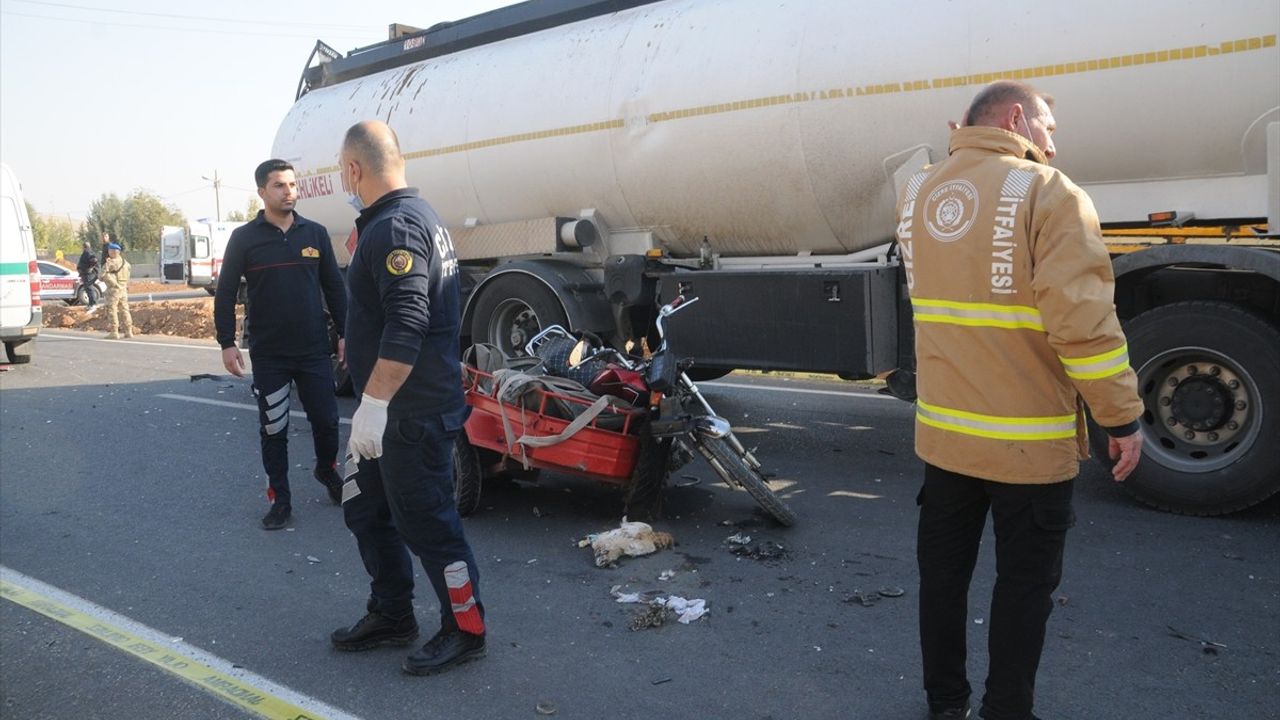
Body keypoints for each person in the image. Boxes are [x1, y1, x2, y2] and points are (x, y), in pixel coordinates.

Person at [894, 80, 1144, 720]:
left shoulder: (919, 192)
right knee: (1024, 588)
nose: (1053, 146)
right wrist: (1120, 417)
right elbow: (1084, 328)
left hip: (945, 440)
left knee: (943, 581)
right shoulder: (1049, 194)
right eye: (1049, 129)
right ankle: (1006, 710)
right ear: (1016, 119)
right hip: (1028, 447)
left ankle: (945, 703)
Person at [330, 120, 486, 676]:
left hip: (408, 412)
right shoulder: (404, 218)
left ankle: (465, 629)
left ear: (353, 170)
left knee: (429, 524)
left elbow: (408, 322)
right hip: (393, 408)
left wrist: (371, 407)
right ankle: (393, 613)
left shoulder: (396, 227)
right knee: (365, 508)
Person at [214, 159, 348, 530]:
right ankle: (280, 499)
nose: (289, 191)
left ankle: (326, 470)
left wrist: (344, 333)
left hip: (313, 351)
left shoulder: (315, 234)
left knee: (327, 420)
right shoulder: (245, 238)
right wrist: (227, 342)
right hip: (270, 354)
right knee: (274, 428)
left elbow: (334, 287)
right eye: (279, 186)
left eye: (292, 184)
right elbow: (225, 293)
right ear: (262, 192)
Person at [100, 243, 133, 339]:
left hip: (113, 290)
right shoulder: (126, 263)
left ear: (112, 251)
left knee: (112, 310)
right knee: (125, 310)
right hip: (123, 289)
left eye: (110, 251)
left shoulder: (110, 263)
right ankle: (128, 331)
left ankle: (114, 332)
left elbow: (101, 276)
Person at [76, 241, 100, 313]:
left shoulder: (89, 252)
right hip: (85, 274)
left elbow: (94, 261)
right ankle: (90, 304)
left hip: (89, 274)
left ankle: (93, 304)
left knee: (90, 289)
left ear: (85, 247)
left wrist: (90, 268)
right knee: (87, 289)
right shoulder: (86, 252)